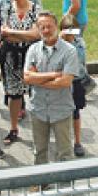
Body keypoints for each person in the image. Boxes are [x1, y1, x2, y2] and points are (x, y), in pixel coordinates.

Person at [24, 11, 80, 166]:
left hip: (61, 110)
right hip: (38, 109)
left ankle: (66, 187)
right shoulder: (33, 50)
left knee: (65, 153)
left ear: (56, 26)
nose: (46, 30)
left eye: (49, 26)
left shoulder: (69, 51)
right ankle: (41, 184)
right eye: (42, 27)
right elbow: (27, 77)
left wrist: (38, 79)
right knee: (39, 151)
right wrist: (54, 74)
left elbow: (65, 82)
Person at [0, 0, 40, 145]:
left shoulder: (36, 8)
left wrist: (15, 33)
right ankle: (13, 128)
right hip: (11, 58)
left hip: (32, 57)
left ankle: (40, 129)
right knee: (14, 95)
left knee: (36, 93)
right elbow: (4, 34)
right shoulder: (7, 9)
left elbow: (37, 34)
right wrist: (26, 33)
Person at [60, 0, 95, 92]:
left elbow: (76, 4)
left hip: (74, 21)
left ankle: (84, 81)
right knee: (77, 47)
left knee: (74, 50)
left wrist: (65, 18)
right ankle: (83, 79)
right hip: (82, 19)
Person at [60, 14, 87, 157]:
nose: (71, 34)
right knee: (62, 114)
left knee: (76, 112)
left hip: (76, 82)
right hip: (62, 83)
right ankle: (63, 143)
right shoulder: (57, 44)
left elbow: (80, 62)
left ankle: (77, 142)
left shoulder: (80, 43)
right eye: (67, 30)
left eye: (73, 30)